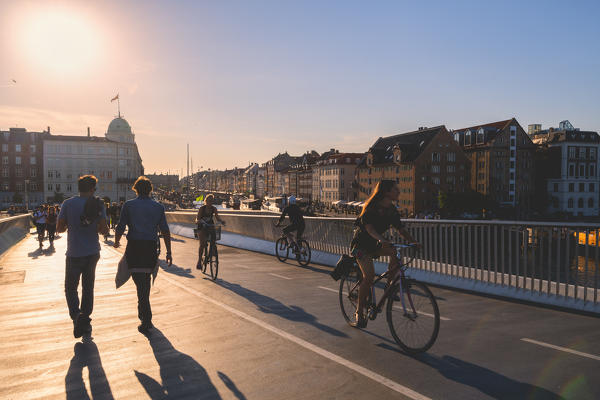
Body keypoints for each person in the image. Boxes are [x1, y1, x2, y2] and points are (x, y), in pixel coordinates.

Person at [350, 180, 419, 328]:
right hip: (361, 246)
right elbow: (369, 229)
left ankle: (389, 287)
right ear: (387, 192)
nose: (398, 192)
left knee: (394, 251)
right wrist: (382, 239)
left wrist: (414, 242)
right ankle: (359, 312)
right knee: (368, 277)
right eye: (396, 189)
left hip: (376, 244)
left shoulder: (391, 210)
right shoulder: (371, 207)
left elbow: (401, 229)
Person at [114, 176, 172, 334]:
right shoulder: (158, 207)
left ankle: (146, 318)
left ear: (136, 189)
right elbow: (165, 230)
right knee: (144, 282)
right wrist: (169, 252)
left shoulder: (129, 205)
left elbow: (120, 226)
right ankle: (145, 316)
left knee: (140, 283)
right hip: (150, 248)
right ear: (150, 190)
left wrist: (116, 241)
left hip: (134, 247)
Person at [56, 175, 109, 338]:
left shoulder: (68, 203)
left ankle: (76, 315)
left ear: (78, 188)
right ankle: (85, 320)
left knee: (70, 288)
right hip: (92, 252)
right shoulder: (98, 204)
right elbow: (104, 230)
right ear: (93, 188)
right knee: (88, 287)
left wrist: (72, 224)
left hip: (74, 253)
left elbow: (60, 229)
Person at [195, 194, 225, 269]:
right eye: (209, 201)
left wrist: (221, 221)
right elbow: (197, 219)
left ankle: (211, 252)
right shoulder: (202, 208)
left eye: (212, 201)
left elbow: (217, 218)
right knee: (202, 244)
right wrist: (199, 221)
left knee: (213, 239)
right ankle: (199, 261)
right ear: (206, 201)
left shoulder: (214, 209)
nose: (210, 202)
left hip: (210, 226)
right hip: (202, 226)